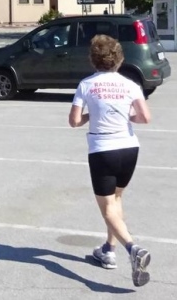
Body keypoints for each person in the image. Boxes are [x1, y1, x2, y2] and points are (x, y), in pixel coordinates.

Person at [68, 35, 152, 288]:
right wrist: (126, 116)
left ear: (93, 60)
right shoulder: (130, 84)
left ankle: (133, 248)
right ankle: (108, 250)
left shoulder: (86, 84)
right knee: (116, 200)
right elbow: (145, 117)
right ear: (119, 59)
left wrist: (89, 116)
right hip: (129, 148)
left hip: (103, 150)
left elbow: (74, 121)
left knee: (107, 210)